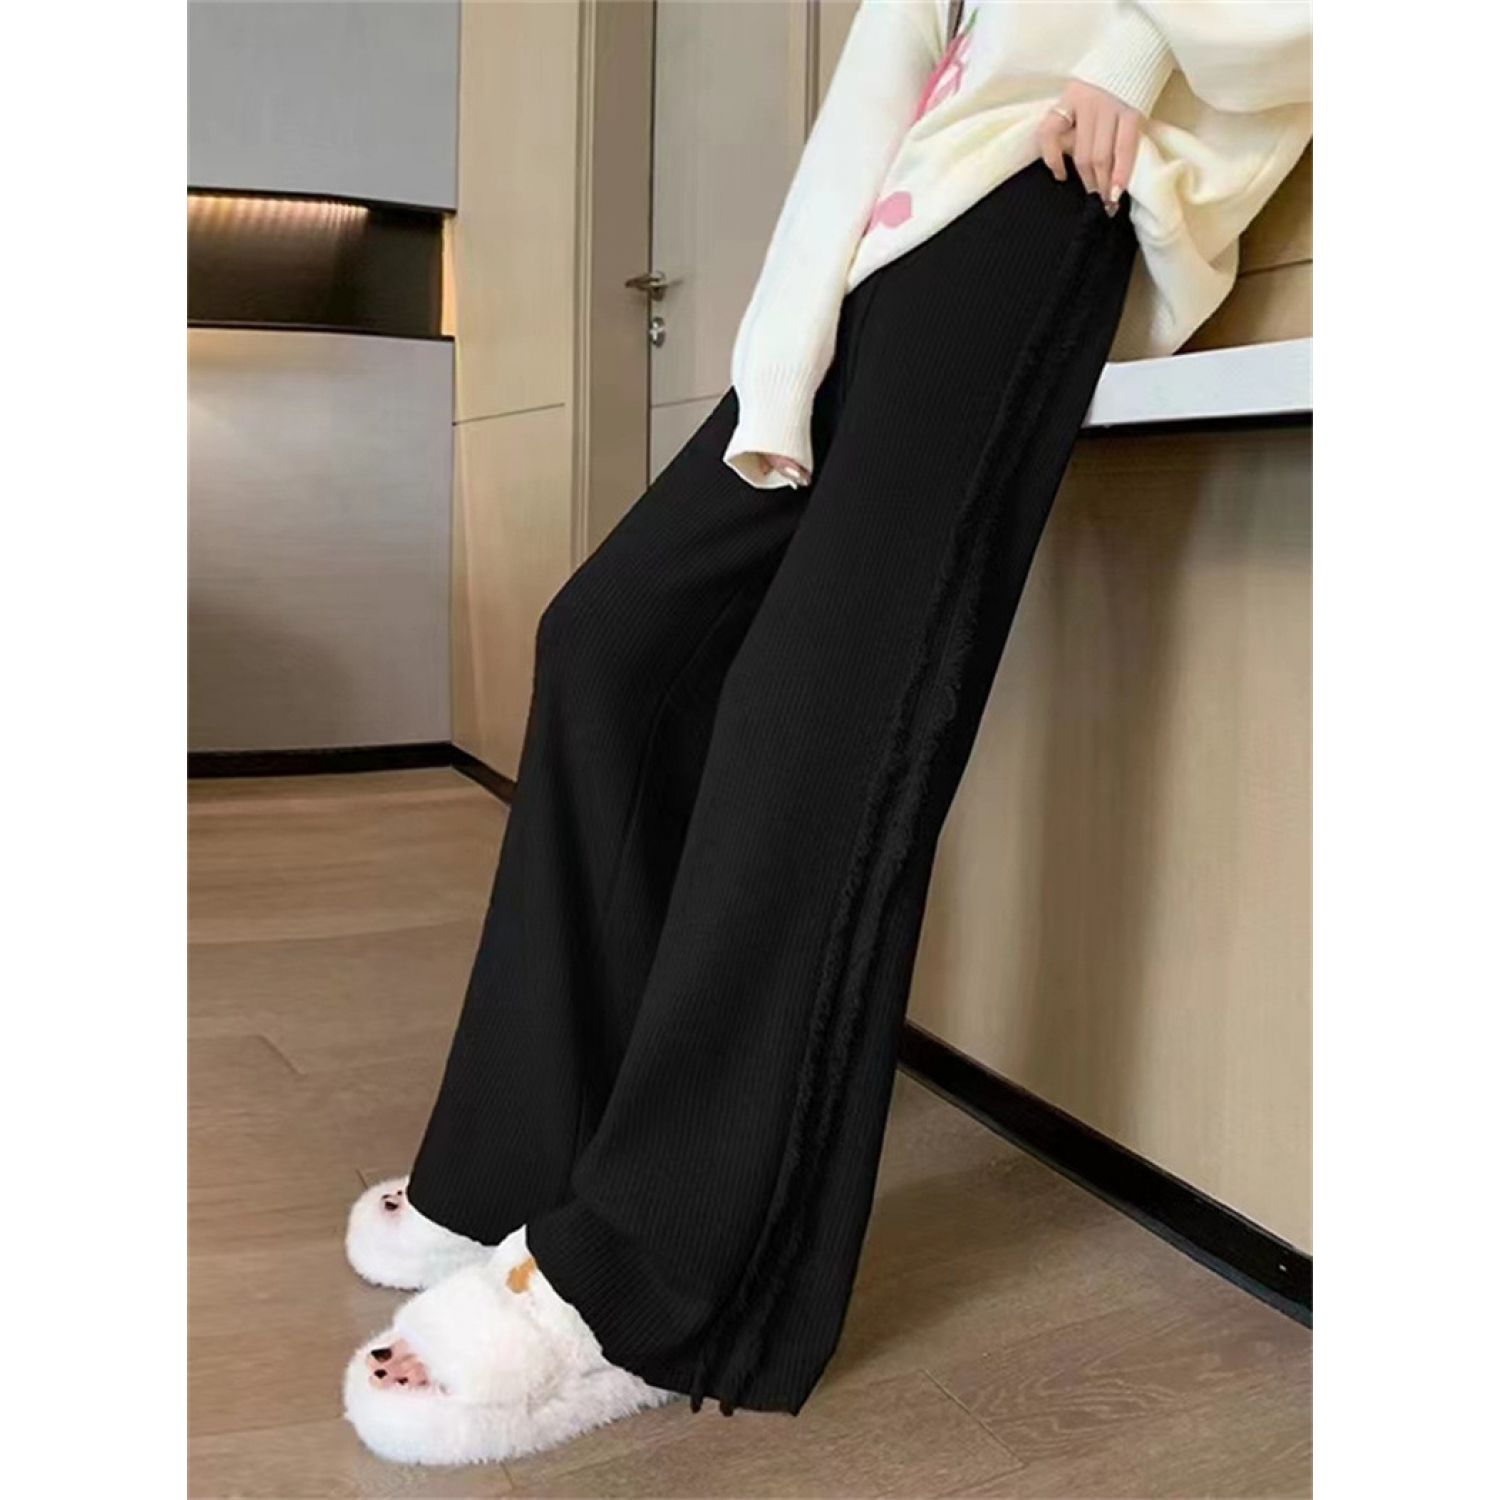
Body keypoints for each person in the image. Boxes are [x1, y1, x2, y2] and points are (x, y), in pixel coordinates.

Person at [340, 0, 1312, 1467]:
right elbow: (881, 79)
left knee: (816, 716)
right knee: (606, 641)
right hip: (882, 242)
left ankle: (661, 1276)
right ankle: (522, 1150)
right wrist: (783, 348)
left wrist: (1131, 50)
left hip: (1052, 183)